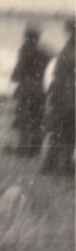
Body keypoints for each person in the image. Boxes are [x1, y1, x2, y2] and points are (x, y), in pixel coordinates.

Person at [10, 24, 51, 156]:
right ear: (38, 37)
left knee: (24, 120)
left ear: (27, 36)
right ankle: (35, 149)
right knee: (37, 119)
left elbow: (18, 73)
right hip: (40, 89)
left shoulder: (24, 50)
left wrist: (14, 77)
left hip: (27, 89)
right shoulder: (45, 51)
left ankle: (22, 149)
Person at [43, 19, 75, 175]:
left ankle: (49, 165)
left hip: (60, 95)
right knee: (69, 133)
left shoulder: (66, 50)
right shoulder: (72, 51)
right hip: (69, 99)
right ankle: (64, 166)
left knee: (58, 132)